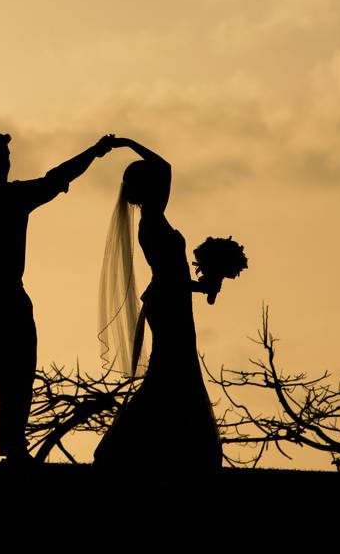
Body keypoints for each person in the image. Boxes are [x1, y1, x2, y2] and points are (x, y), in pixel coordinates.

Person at [0, 130, 114, 464]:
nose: (7, 162)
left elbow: (57, 177)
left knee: (9, 382)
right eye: (2, 155)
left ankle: (2, 447)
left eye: (6, 156)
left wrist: (94, 152)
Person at [93, 136, 222, 472]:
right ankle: (128, 444)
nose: (161, 183)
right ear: (145, 188)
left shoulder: (154, 218)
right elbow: (165, 166)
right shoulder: (150, 223)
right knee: (171, 370)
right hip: (168, 304)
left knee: (173, 369)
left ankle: (167, 447)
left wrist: (205, 284)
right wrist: (125, 142)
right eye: (152, 182)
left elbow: (173, 277)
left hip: (172, 301)